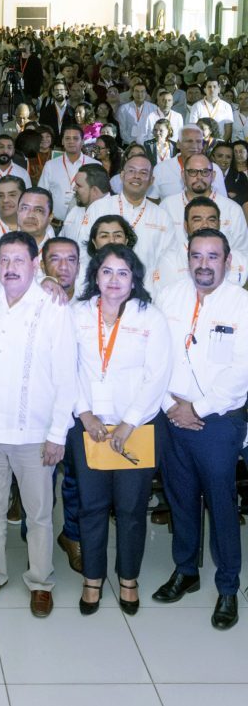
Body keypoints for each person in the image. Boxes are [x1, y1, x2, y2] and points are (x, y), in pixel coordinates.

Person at [0, 231, 76, 617]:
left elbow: (67, 376)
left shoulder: (53, 306)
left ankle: (40, 581)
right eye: (4, 260)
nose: (10, 267)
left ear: (35, 264)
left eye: (19, 260)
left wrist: (57, 434)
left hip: (34, 433)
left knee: (39, 513)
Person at [153, 229, 248, 630]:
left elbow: (241, 371)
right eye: (197, 255)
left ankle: (228, 586)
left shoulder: (241, 304)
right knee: (180, 497)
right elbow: (153, 357)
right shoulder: (168, 297)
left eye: (212, 256)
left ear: (227, 261)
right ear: (187, 258)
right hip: (172, 415)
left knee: (222, 504)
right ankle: (186, 569)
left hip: (218, 421)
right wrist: (170, 406)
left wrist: (197, 408)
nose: (203, 264)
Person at [70, 245, 171, 616]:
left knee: (130, 508)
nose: (114, 280)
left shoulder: (150, 317)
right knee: (91, 507)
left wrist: (129, 422)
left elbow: (157, 375)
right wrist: (85, 414)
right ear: (95, 276)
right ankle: (92, 578)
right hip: (90, 428)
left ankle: (129, 578)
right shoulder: (77, 313)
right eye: (107, 271)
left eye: (123, 273)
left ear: (134, 279)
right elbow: (66, 366)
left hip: (137, 428)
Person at [38, 124, 100, 222]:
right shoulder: (50, 165)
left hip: (85, 222)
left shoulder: (95, 165)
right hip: (55, 224)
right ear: (62, 141)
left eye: (75, 138)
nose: (71, 142)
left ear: (82, 141)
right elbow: (41, 193)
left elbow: (100, 196)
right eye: (67, 138)